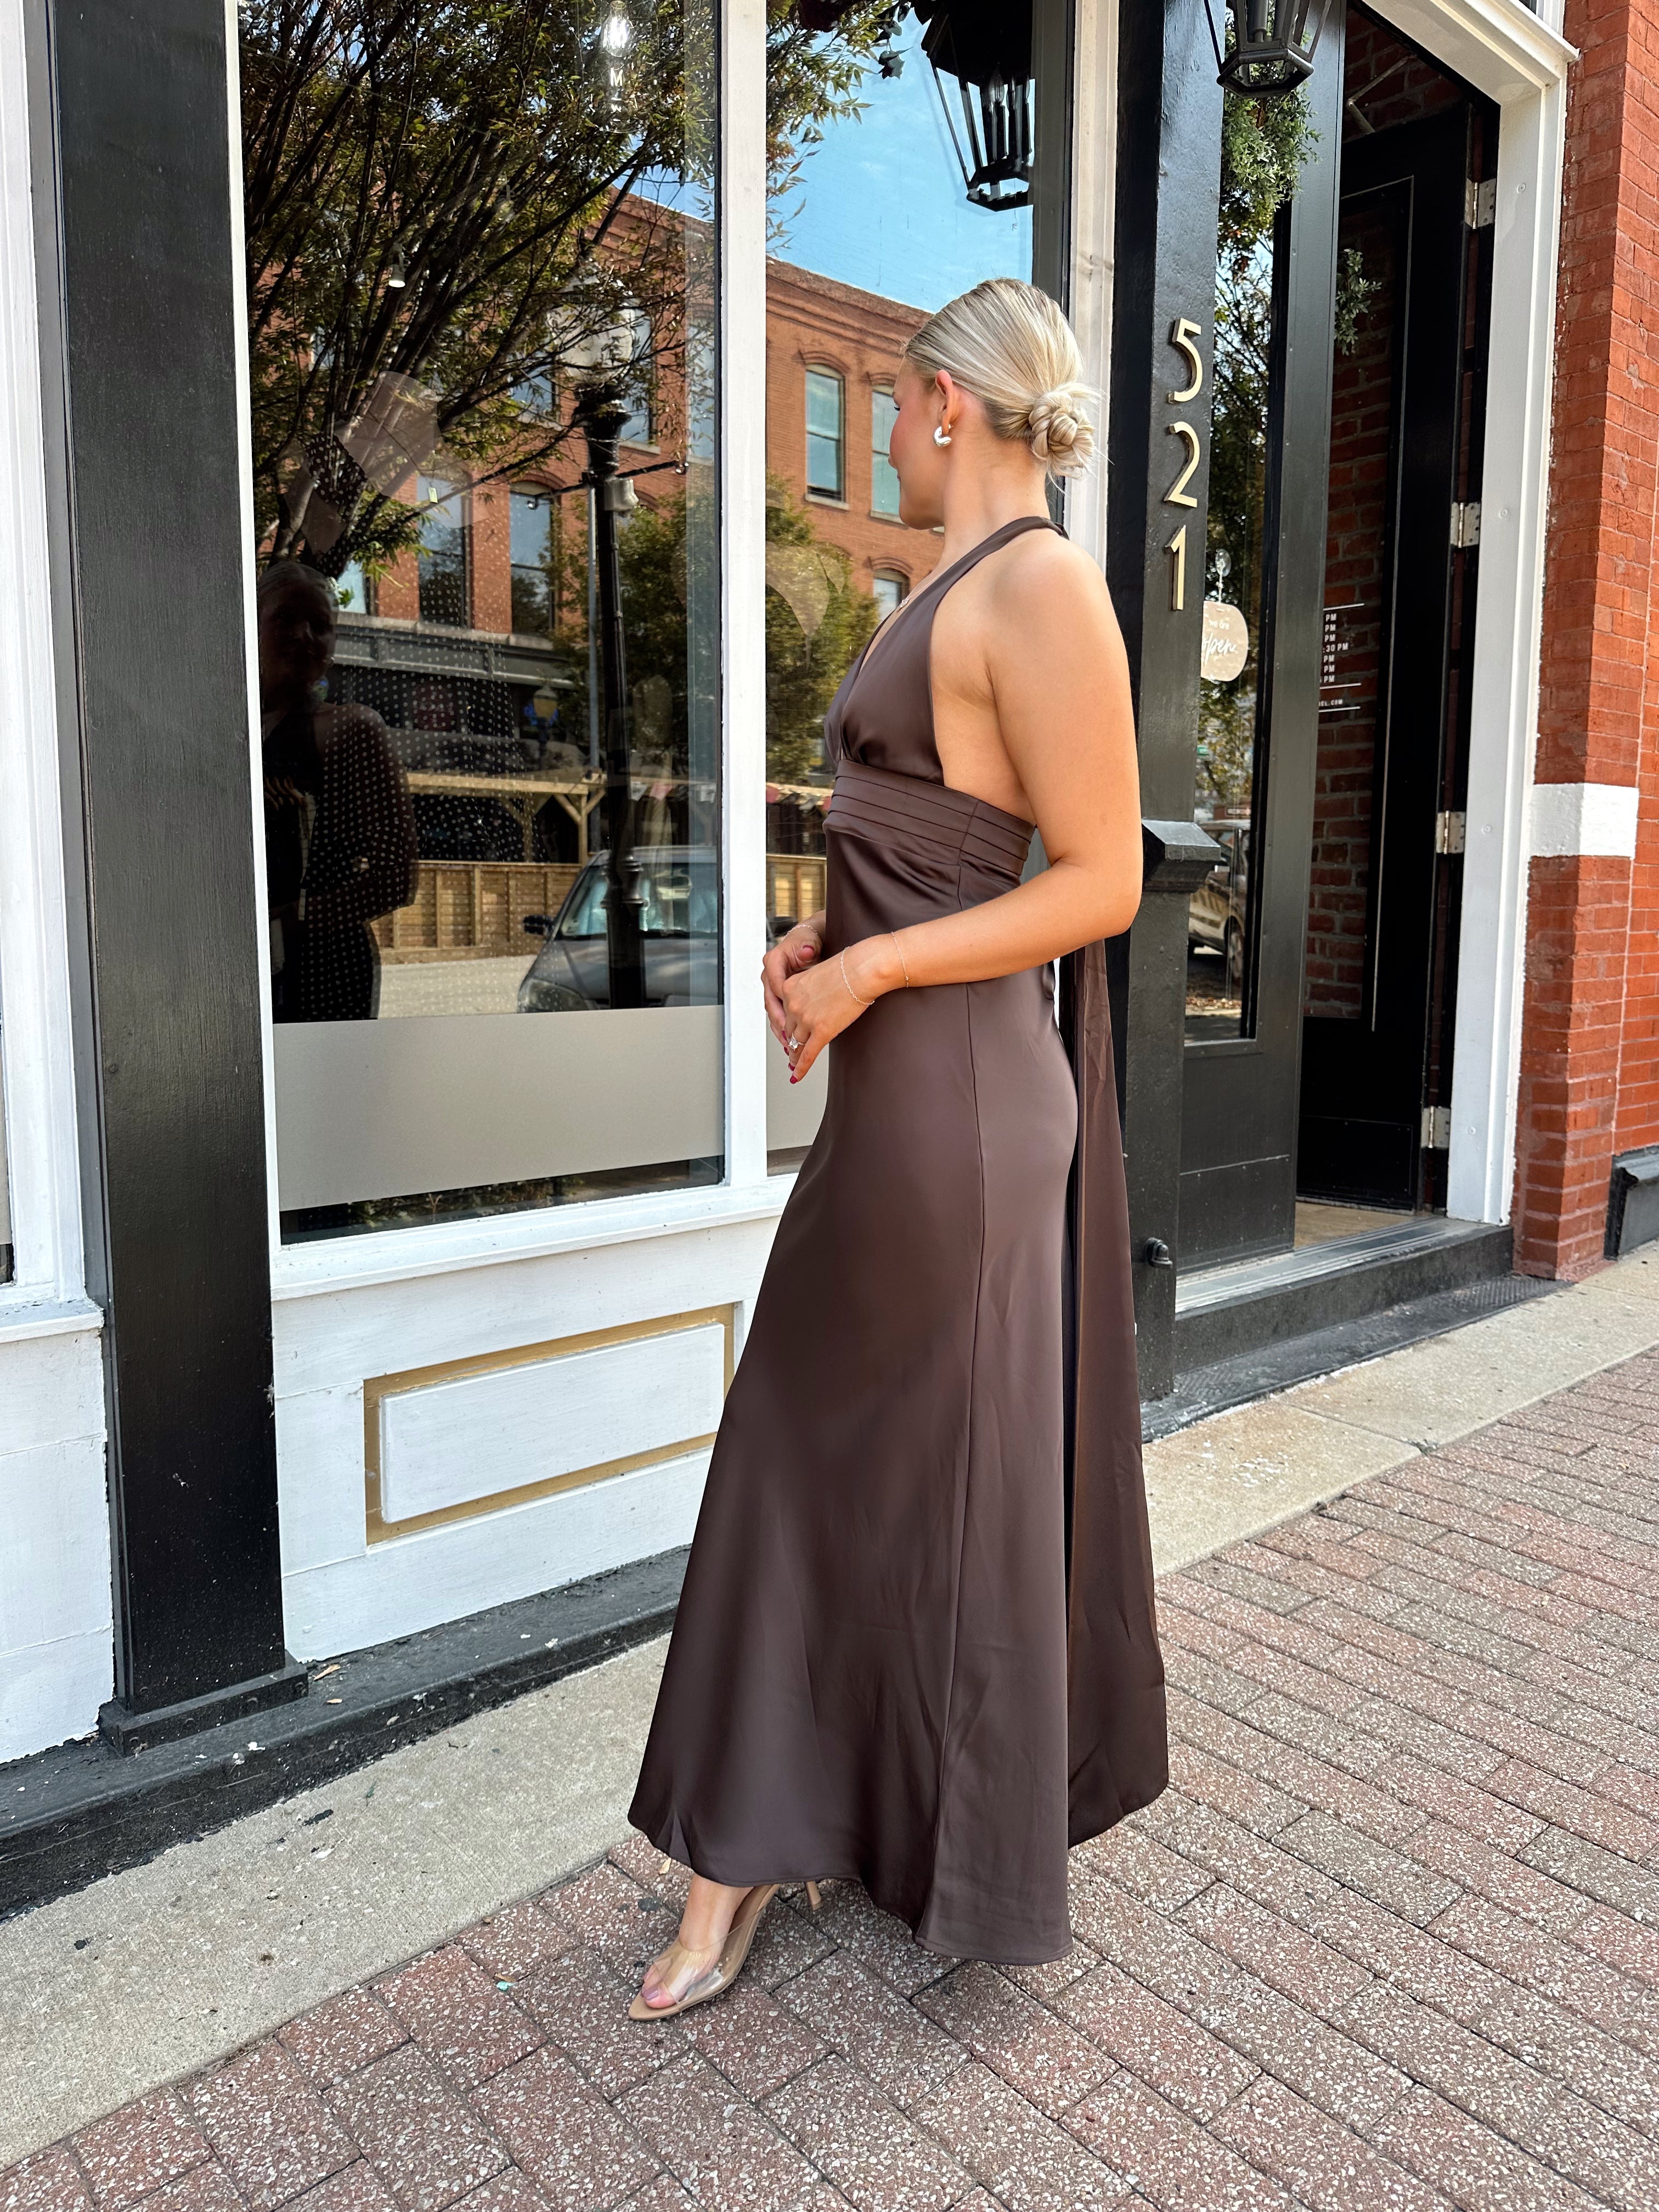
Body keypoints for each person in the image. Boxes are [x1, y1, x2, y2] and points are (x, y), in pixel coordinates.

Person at [627, 278, 1167, 2016]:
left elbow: (1101, 881)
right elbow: (919, 840)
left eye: (907, 392)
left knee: (916, 1474)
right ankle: (765, 1844)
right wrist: (819, 939)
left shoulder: (1043, 585)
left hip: (972, 1115)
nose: (900, 411)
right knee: (813, 1453)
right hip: (897, 1101)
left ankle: (834, 1855)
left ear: (942, 402)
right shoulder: (931, 589)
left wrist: (871, 964)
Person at [257, 560, 417, 1022]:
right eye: (285, 618)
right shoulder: (229, 733)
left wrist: (291, 918)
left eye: (321, 626)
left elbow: (396, 877)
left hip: (324, 973)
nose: (304, 636)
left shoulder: (351, 729)